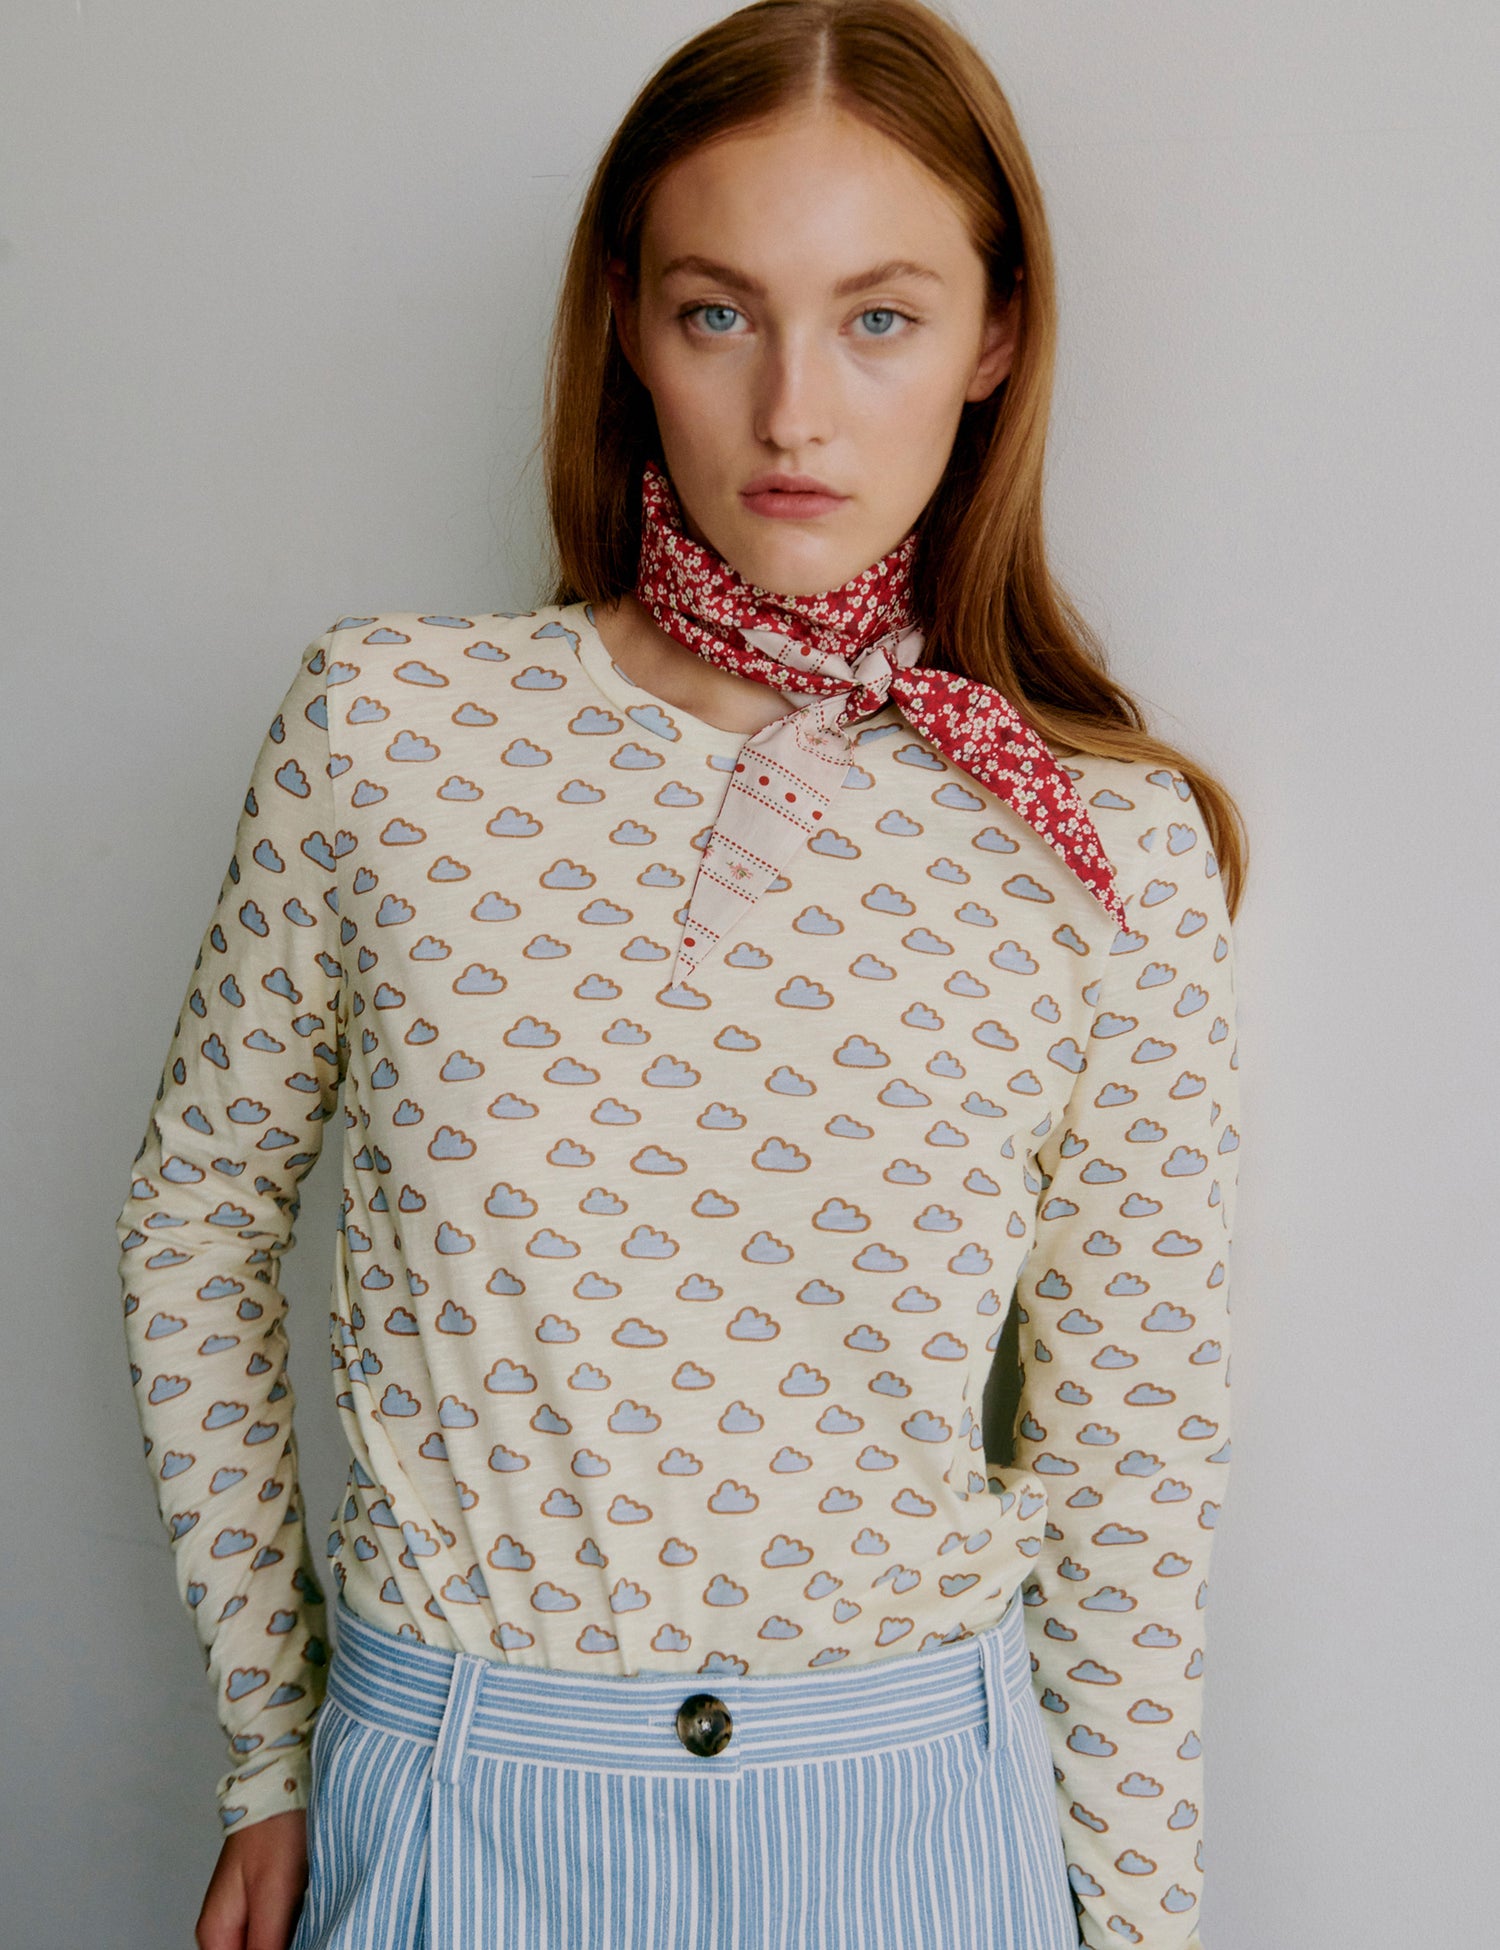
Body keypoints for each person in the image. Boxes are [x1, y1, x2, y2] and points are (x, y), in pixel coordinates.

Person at [113, 3, 1248, 1947]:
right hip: (459, 1805)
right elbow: (191, 1223)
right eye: (723, 313)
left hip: (920, 1831)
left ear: (995, 337)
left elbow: (1137, 1445)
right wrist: (269, 1748)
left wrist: (1133, 1923)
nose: (796, 411)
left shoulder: (1099, 843)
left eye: (879, 317)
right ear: (628, 326)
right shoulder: (391, 729)